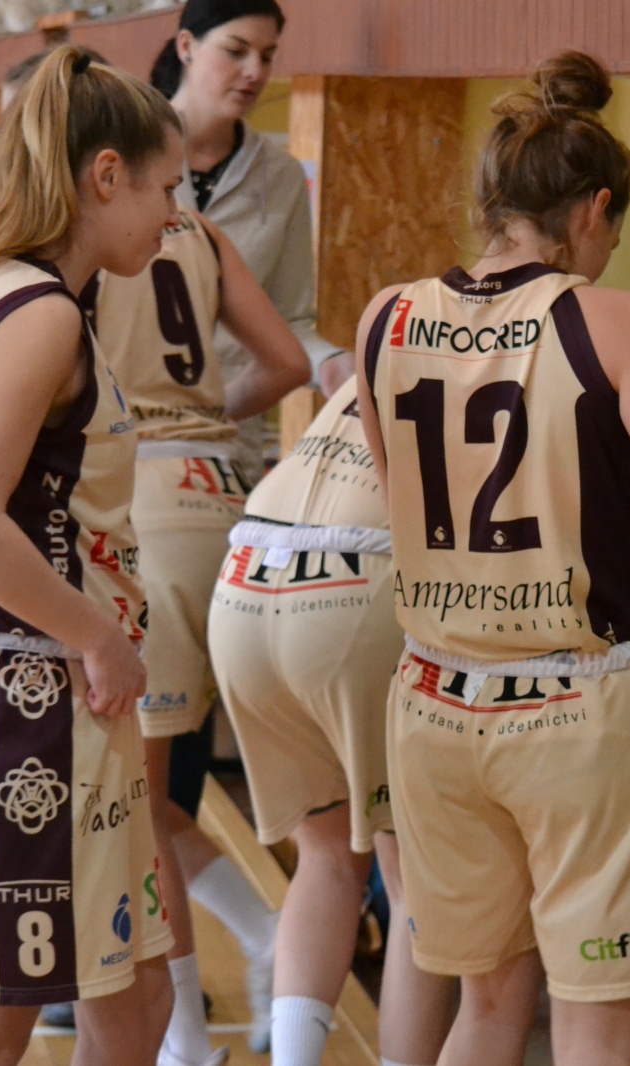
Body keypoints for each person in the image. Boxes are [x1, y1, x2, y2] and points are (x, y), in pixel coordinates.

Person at [356, 51, 630, 1066]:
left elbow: (401, 497)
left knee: (486, 1007)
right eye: (614, 231)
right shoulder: (614, 319)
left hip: (433, 702)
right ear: (596, 209)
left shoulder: (385, 316)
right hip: (578, 711)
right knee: (601, 1016)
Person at [0, 45, 182, 1066]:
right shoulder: (42, 316)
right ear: (106, 176)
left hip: (56, 703)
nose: (173, 215)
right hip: (26, 709)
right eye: (164, 189)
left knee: (138, 993)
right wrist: (98, 634)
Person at [85, 204, 310, 1062]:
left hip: (144, 507)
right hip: (225, 499)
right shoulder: (201, 232)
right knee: (162, 798)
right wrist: (205, 417)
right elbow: (287, 362)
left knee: (135, 813)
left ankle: (183, 1046)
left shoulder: (82, 229)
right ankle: (269, 936)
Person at [208, 374, 455, 1066]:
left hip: (248, 575)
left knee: (324, 857)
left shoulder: (386, 336)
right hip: (356, 582)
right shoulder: (537, 346)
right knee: (415, 882)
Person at [149, 0, 349, 480]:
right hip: (125, 441)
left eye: (267, 56)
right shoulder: (126, 151)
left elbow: (288, 320)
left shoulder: (281, 176)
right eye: (236, 51)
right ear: (186, 46)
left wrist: (331, 363)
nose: (255, 72)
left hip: (229, 450)